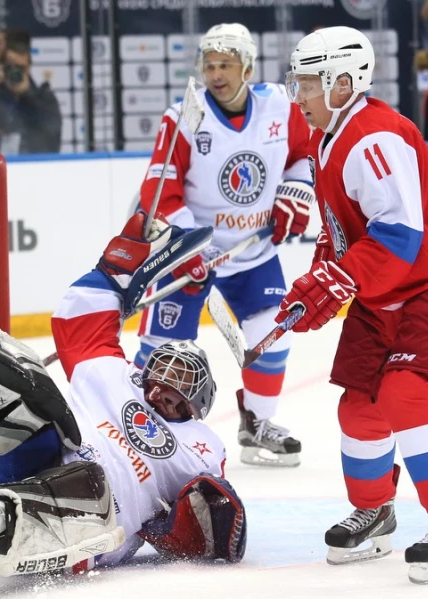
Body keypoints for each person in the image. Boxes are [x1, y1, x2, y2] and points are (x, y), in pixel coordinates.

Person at [0, 213, 246, 576]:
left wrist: (190, 523)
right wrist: (115, 272)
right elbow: (79, 320)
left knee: (90, 480)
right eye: (165, 368)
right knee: (32, 387)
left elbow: (206, 522)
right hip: (28, 466)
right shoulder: (117, 375)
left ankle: (4, 521)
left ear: (200, 401)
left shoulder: (203, 445)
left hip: (97, 531)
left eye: (182, 377)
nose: (168, 379)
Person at [282, 26, 428, 584]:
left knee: (404, 393)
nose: (298, 95)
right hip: (387, 288)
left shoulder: (374, 139)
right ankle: (375, 511)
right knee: (359, 403)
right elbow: (341, 232)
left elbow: (400, 234)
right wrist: (319, 280)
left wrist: (339, 280)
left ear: (343, 82)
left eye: (308, 83)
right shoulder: (325, 139)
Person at [134, 23, 313, 468]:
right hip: (190, 252)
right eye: (209, 65)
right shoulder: (185, 116)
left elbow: (305, 156)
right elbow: (159, 190)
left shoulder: (280, 105)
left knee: (273, 333)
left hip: (253, 254)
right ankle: (133, 430)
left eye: (226, 65)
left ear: (247, 68)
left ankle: (257, 424)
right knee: (160, 354)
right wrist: (187, 246)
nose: (216, 74)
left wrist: (296, 190)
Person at [0, 29, 62, 154]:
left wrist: (26, 94)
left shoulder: (44, 98)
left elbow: (51, 137)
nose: (14, 73)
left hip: (33, 163)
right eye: (8, 67)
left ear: (27, 64)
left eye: (19, 68)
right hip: (0, 162)